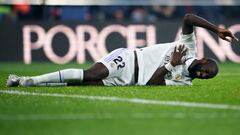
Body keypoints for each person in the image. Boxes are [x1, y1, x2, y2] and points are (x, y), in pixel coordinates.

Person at [6, 14, 238, 87]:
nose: (204, 74)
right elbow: (187, 18)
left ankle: (28, 84)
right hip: (128, 59)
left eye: (207, 76)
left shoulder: (184, 82)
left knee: (85, 85)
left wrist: (170, 65)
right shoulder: (188, 47)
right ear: (204, 59)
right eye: (207, 69)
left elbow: (151, 85)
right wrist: (216, 28)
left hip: (129, 81)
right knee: (92, 74)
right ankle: (30, 79)